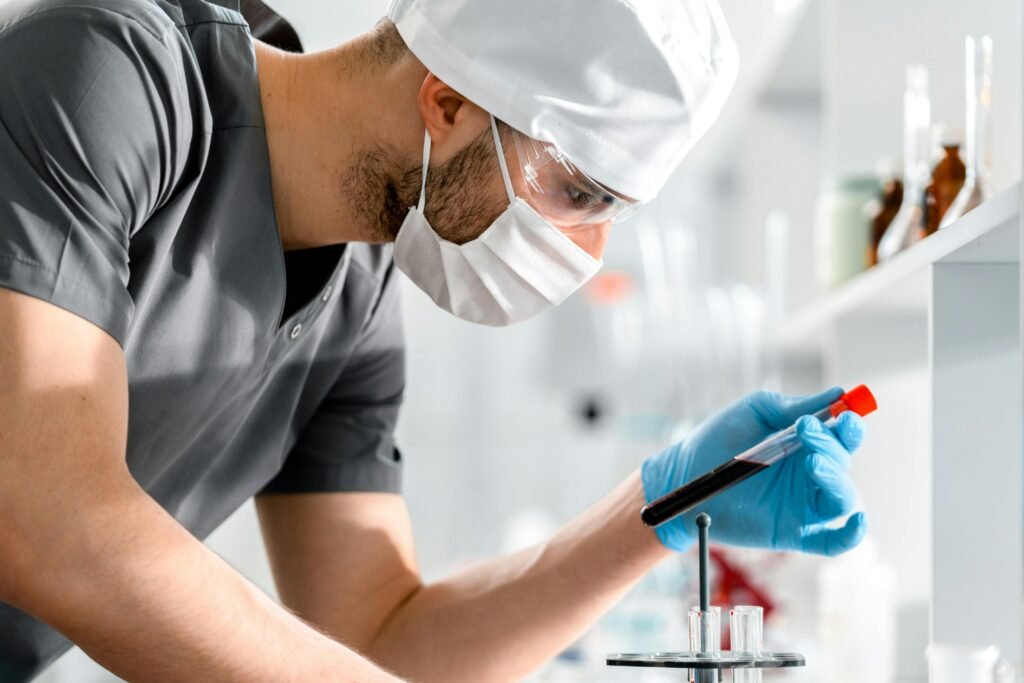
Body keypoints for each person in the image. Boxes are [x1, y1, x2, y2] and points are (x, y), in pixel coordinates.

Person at [0, 0, 867, 680]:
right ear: (447, 102)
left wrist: (660, 507)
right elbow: (46, 516)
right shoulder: (111, 76)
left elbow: (381, 636)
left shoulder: (360, 298)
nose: (586, 251)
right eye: (577, 192)